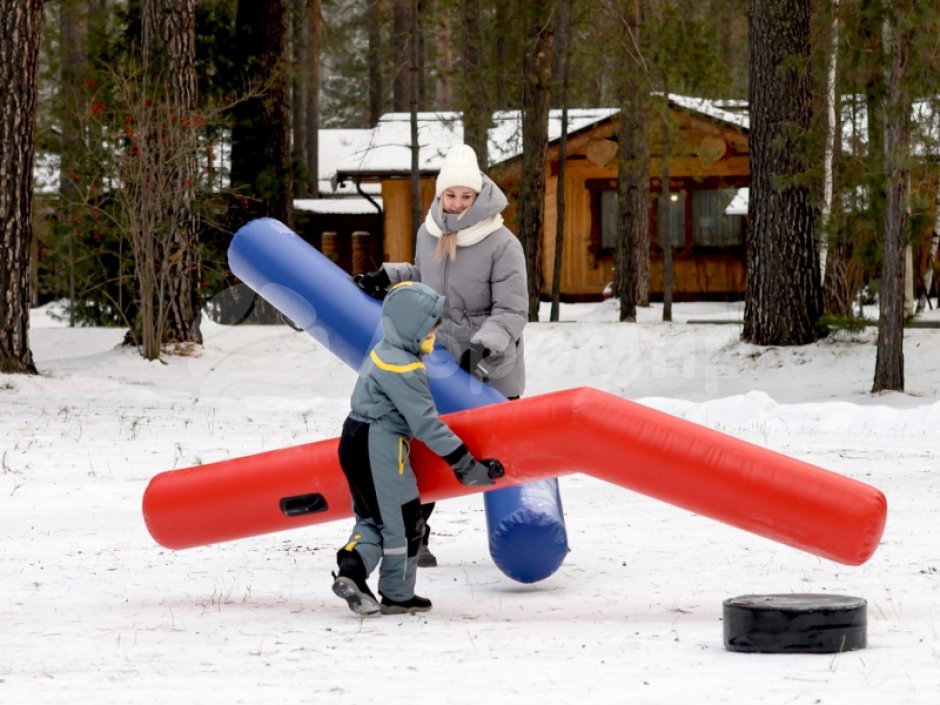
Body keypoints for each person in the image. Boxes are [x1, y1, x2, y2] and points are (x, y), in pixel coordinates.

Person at [354, 144, 528, 568]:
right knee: (424, 449)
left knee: (499, 456)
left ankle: (525, 525)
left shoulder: (502, 243)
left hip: (488, 366)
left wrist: (482, 349)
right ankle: (416, 533)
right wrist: (388, 278)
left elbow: (512, 311)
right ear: (440, 195)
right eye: (451, 195)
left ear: (480, 195)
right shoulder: (429, 231)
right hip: (438, 360)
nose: (457, 204)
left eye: (466, 196)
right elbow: (422, 276)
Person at [332, 281, 505, 616]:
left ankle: (352, 571)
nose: (436, 331)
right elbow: (426, 423)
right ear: (413, 328)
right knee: (404, 521)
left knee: (372, 519)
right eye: (430, 326)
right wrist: (464, 463)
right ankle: (397, 595)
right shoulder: (405, 369)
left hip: (354, 437)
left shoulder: (386, 349)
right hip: (380, 445)